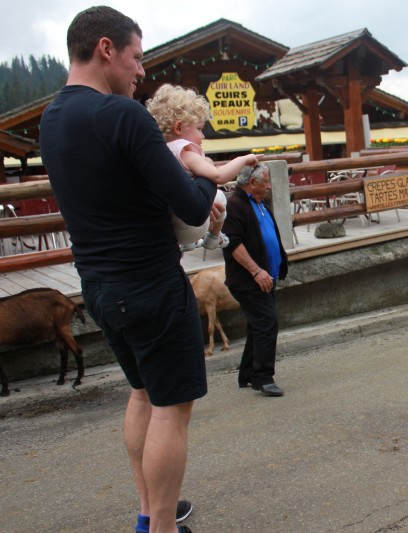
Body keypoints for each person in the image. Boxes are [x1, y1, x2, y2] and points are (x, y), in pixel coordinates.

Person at [38, 7, 229, 533]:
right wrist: (208, 170)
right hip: (150, 286)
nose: (142, 72)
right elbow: (191, 206)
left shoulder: (52, 120)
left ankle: (149, 514)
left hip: (99, 287)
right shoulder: (123, 115)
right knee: (172, 408)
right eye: (137, 58)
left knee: (143, 395)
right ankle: (163, 529)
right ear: (106, 48)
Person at [146, 83, 259, 251]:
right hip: (191, 225)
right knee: (220, 196)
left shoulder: (160, 151)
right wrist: (243, 159)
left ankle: (189, 244)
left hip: (171, 225)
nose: (203, 135)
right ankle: (214, 236)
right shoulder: (185, 150)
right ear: (178, 127)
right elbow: (219, 176)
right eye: (199, 129)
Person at [222, 164, 289, 396]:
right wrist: (256, 271)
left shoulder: (258, 202)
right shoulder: (235, 205)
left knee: (258, 325)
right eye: (265, 181)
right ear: (252, 182)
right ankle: (263, 377)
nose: (269, 185)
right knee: (267, 323)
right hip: (249, 280)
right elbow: (233, 243)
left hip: (266, 276)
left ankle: (248, 373)